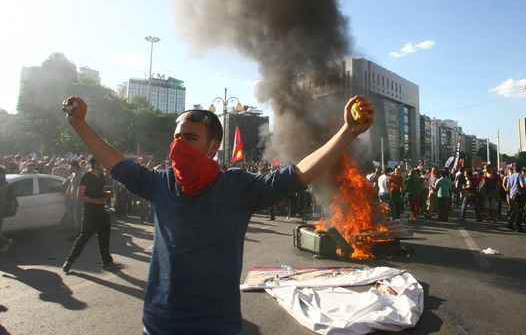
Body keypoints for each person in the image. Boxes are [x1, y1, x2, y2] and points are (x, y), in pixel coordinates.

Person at [60, 94, 373, 335]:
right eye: (177, 137)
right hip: (159, 325)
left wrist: (346, 132)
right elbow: (115, 161)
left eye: (190, 138)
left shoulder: (237, 186)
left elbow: (299, 173)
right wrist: (80, 125)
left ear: (214, 146)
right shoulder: (160, 182)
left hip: (218, 326)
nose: (178, 146)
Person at [63, 156, 116, 272]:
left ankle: (107, 262)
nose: (103, 165)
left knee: (104, 238)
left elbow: (101, 191)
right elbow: (80, 196)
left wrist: (107, 193)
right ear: (95, 164)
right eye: (101, 163)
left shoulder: (101, 176)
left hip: (102, 211)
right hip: (90, 212)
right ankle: (69, 262)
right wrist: (96, 201)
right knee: (83, 237)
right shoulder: (86, 177)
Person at [63, 160, 84, 238]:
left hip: (78, 199)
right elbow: (70, 184)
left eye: (70, 166)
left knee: (77, 216)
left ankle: (77, 233)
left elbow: (82, 188)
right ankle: (73, 230)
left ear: (74, 166)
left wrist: (79, 199)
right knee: (71, 215)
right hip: (72, 198)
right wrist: (67, 192)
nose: (69, 168)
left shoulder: (81, 175)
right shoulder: (73, 174)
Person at [505, 165, 526, 232]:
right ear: (520, 169)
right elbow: (522, 185)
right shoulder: (519, 175)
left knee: (514, 210)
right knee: (519, 211)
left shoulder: (510, 176)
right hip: (518, 195)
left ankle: (510, 224)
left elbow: (508, 187)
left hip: (512, 195)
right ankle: (518, 226)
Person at [0, 165, 16, 253]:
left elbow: (9, 199)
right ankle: (6, 242)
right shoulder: (6, 185)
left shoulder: (6, 186)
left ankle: (6, 242)